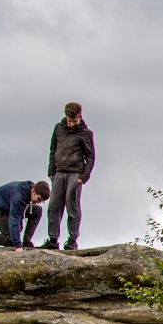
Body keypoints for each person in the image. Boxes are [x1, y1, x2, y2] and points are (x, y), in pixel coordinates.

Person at [43, 101, 95, 250]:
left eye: (75, 121)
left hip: (75, 174)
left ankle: (72, 240)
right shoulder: (58, 128)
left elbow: (90, 156)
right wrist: (51, 171)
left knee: (72, 207)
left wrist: (84, 176)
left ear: (80, 117)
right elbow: (53, 149)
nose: (72, 124)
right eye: (70, 121)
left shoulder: (86, 134)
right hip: (58, 172)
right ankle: (53, 239)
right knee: (53, 207)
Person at [0, 179, 49, 248]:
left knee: (37, 210)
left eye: (42, 201)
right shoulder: (19, 197)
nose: (38, 202)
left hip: (7, 207)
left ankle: (26, 242)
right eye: (38, 199)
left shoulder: (29, 188)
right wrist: (18, 245)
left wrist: (20, 222)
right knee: (11, 240)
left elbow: (19, 209)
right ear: (33, 191)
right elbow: (14, 220)